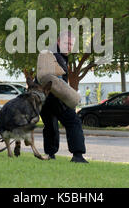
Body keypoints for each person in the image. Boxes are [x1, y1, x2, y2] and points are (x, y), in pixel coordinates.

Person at [37, 30, 88, 163]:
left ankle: (50, 154)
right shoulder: (55, 56)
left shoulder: (49, 53)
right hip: (55, 95)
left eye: (71, 44)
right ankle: (78, 155)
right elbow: (58, 83)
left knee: (50, 125)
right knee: (73, 121)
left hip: (43, 98)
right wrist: (70, 96)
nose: (69, 47)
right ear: (59, 41)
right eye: (67, 43)